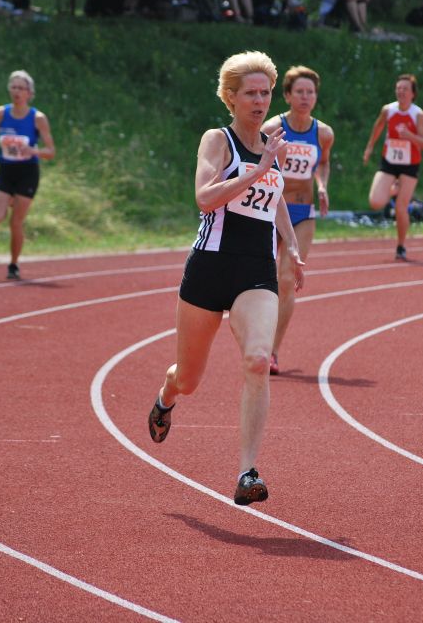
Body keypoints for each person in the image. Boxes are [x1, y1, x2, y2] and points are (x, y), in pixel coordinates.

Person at [147, 51, 305, 507]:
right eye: (251, 93)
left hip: (256, 272)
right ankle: (166, 395)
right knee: (188, 379)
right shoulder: (218, 140)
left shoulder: (273, 145)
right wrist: (257, 170)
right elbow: (204, 197)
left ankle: (246, 471)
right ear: (231, 97)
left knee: (257, 360)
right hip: (209, 268)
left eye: (265, 92)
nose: (260, 100)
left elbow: (275, 199)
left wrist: (292, 246)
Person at [261, 65, 333, 377]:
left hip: (303, 212)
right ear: (288, 96)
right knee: (263, 278)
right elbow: (257, 165)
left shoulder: (324, 133)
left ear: (316, 97)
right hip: (269, 210)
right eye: (299, 92)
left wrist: (322, 186)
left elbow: (324, 163)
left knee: (287, 279)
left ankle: (273, 351)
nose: (305, 97)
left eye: (310, 92)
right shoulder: (272, 128)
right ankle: (257, 341)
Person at [0, 70, 55, 280]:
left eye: (21, 88)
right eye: (13, 87)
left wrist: (33, 151)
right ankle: (8, 200)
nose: (17, 92)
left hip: (27, 172)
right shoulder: (0, 113)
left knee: (16, 222)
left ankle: (13, 264)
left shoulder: (38, 118)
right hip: (6, 170)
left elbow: (51, 151)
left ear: (29, 93)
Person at [362, 74, 423, 261]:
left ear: (413, 94)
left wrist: (409, 135)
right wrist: (369, 147)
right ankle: (394, 188)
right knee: (375, 202)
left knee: (401, 208)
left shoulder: (418, 114)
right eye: (398, 88)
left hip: (410, 165)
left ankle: (400, 246)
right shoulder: (388, 110)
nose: (401, 91)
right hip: (389, 162)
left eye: (405, 89)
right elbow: (378, 127)